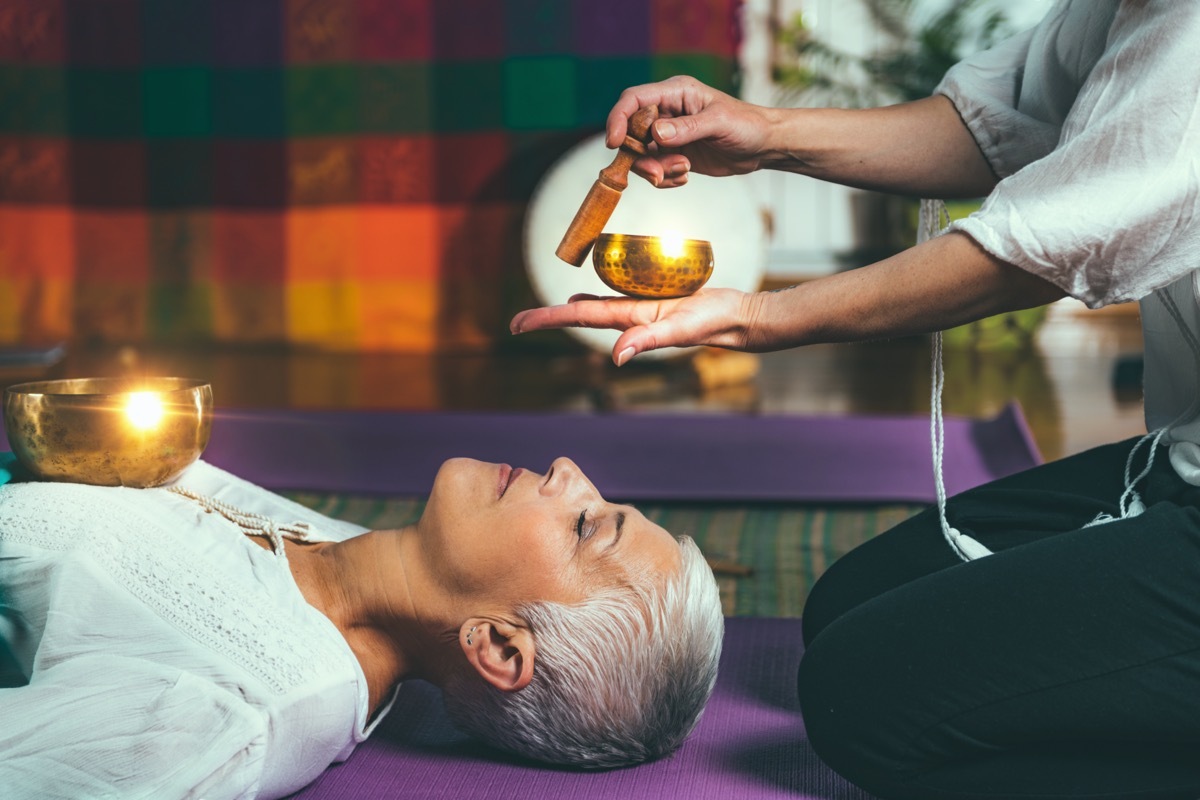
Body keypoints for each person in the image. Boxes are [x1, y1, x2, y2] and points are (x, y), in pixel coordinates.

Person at [511, 1, 1200, 797]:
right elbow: (998, 124)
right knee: (853, 608)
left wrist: (760, 314)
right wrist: (764, 133)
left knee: (862, 701)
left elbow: (1048, 242)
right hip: (1178, 468)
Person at [0, 454, 724, 799]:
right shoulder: (339, 546)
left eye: (587, 525)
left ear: (499, 645)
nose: (569, 469)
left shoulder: (239, 710)